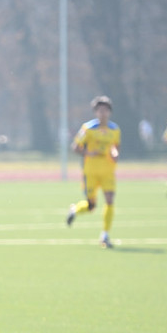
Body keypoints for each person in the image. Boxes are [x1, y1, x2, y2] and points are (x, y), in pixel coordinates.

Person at [65, 96, 121, 248]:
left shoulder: (115, 130)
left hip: (108, 170)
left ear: (109, 112)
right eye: (100, 110)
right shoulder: (88, 129)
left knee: (110, 200)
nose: (103, 113)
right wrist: (88, 154)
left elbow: (115, 146)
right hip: (90, 171)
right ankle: (75, 210)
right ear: (96, 112)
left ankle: (105, 235)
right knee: (91, 206)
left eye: (105, 110)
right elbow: (76, 147)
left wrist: (115, 153)